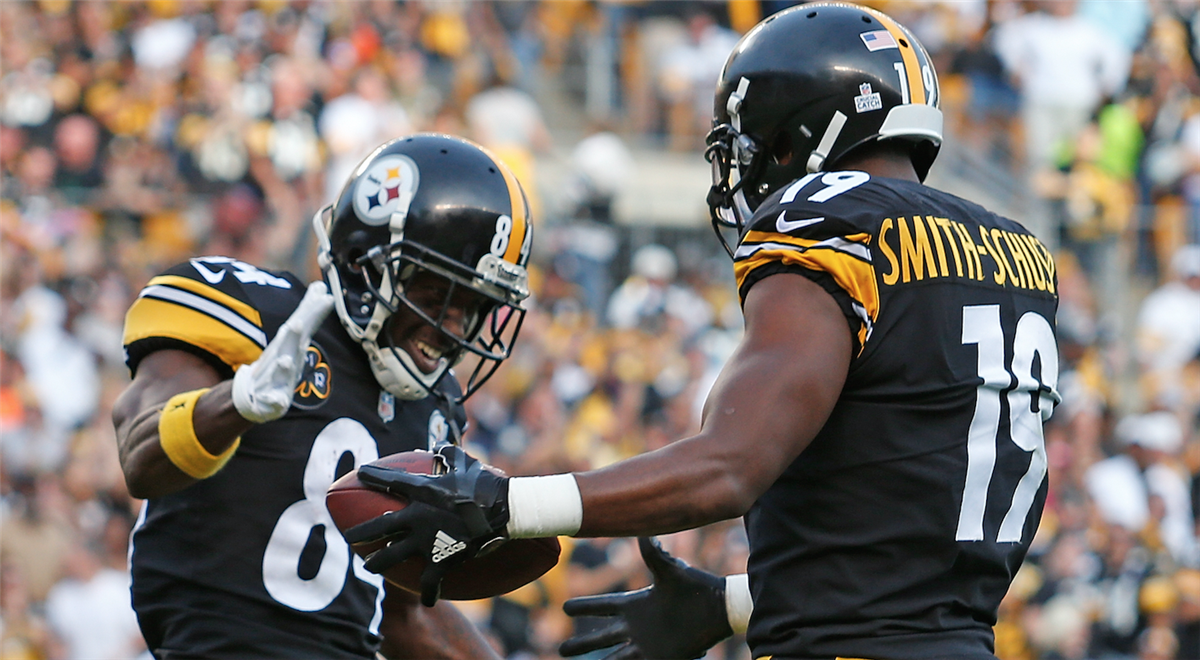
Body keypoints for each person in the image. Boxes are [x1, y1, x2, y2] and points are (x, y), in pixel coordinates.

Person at [344, 4, 1061, 660]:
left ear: (792, 137)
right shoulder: (1017, 253)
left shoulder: (828, 218)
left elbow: (730, 467)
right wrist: (733, 605)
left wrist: (509, 504)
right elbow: (911, 553)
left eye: (750, 144)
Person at [110, 133, 534, 659]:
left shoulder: (434, 408)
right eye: (437, 296)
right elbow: (138, 457)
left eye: (472, 308)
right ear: (366, 263)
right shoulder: (254, 314)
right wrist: (236, 402)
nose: (452, 329)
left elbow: (401, 611)